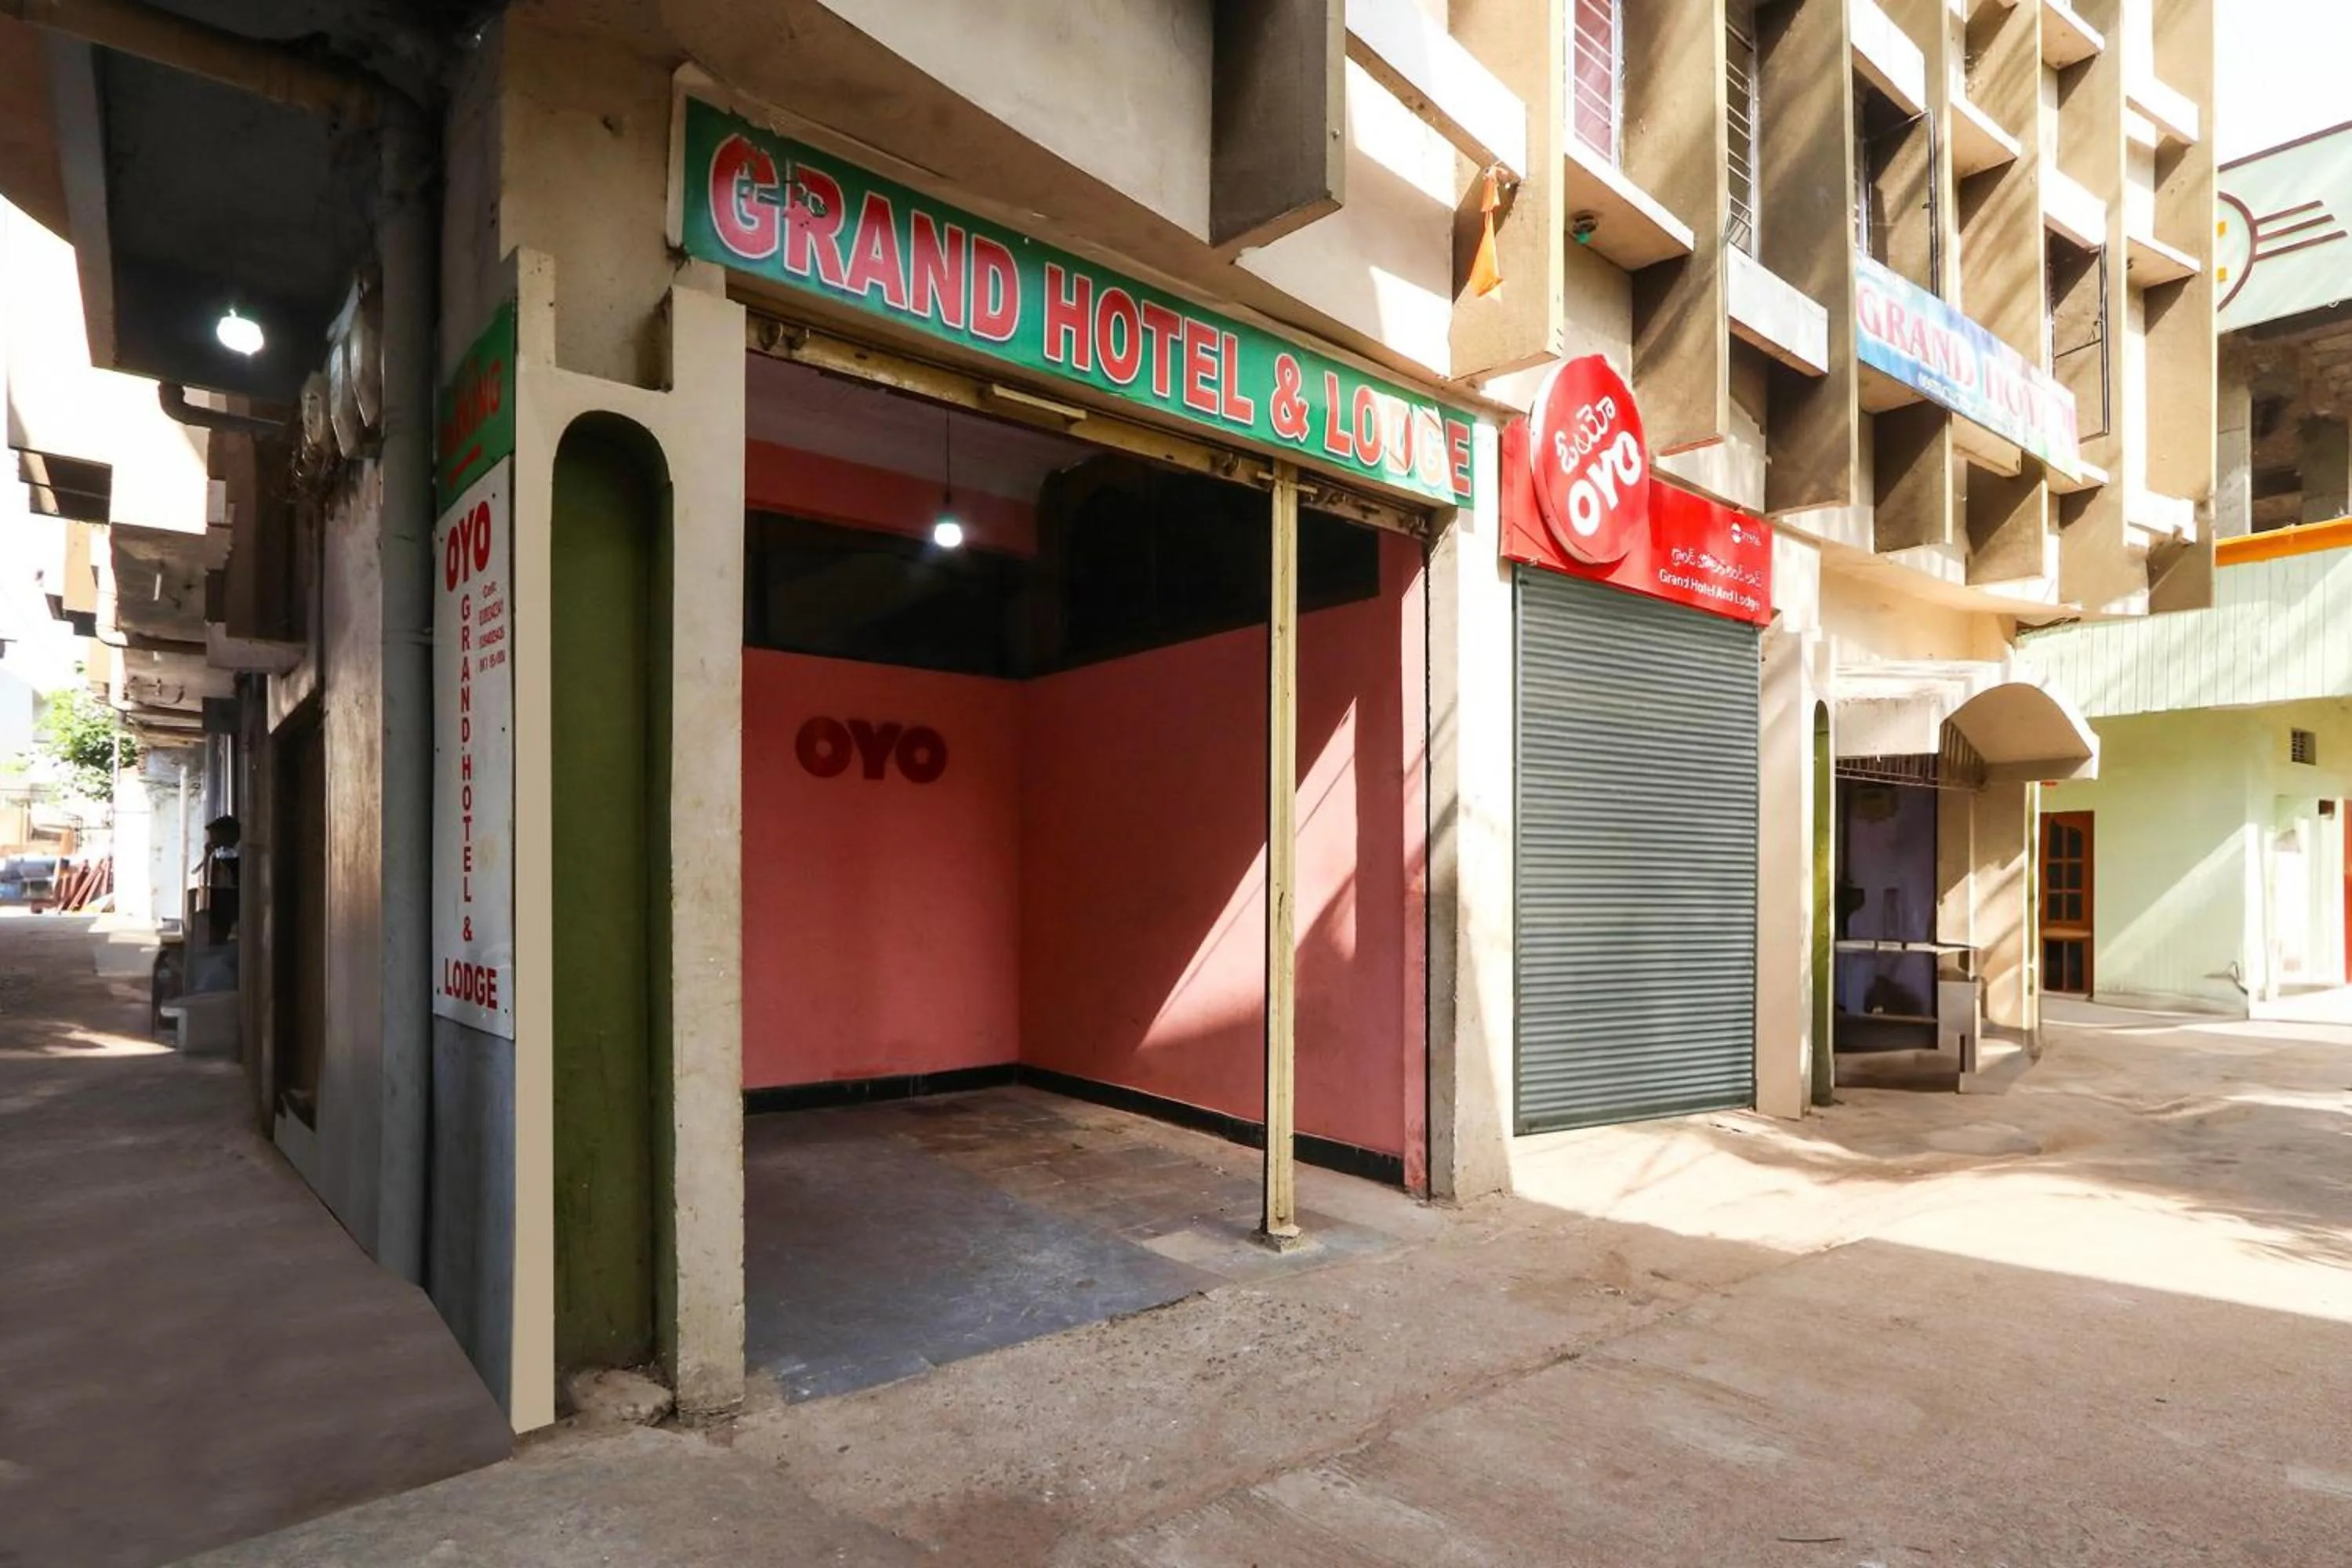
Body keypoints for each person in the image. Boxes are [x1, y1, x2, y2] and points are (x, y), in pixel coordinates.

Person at [198, 814, 240, 946]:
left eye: (214, 835)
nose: (211, 839)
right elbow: (205, 880)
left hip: (229, 911)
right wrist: (207, 856)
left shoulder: (232, 856)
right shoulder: (219, 855)